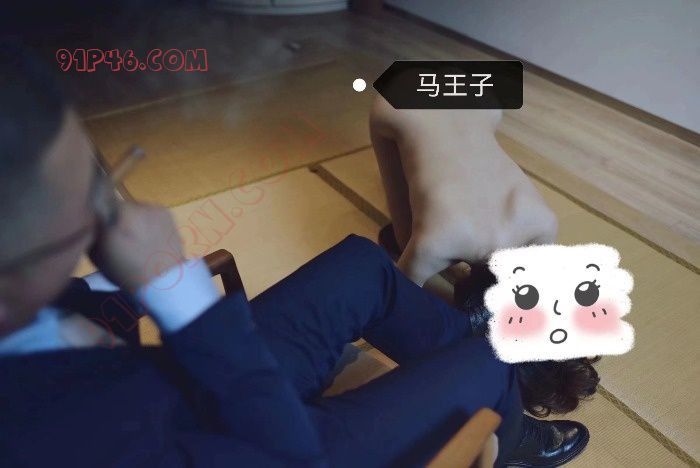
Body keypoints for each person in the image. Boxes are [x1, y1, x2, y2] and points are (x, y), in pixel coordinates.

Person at [0, 46, 578, 468]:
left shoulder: (24, 303)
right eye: (85, 209)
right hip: (260, 446)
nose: (105, 207)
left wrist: (104, 289)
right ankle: (504, 427)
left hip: (177, 386)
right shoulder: (45, 433)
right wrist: (172, 285)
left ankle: (483, 387)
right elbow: (287, 451)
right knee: (488, 361)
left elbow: (67, 309)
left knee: (363, 269)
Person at [371, 93, 597, 464]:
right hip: (396, 99)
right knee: (401, 238)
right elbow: (393, 304)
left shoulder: (542, 223)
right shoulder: (435, 242)